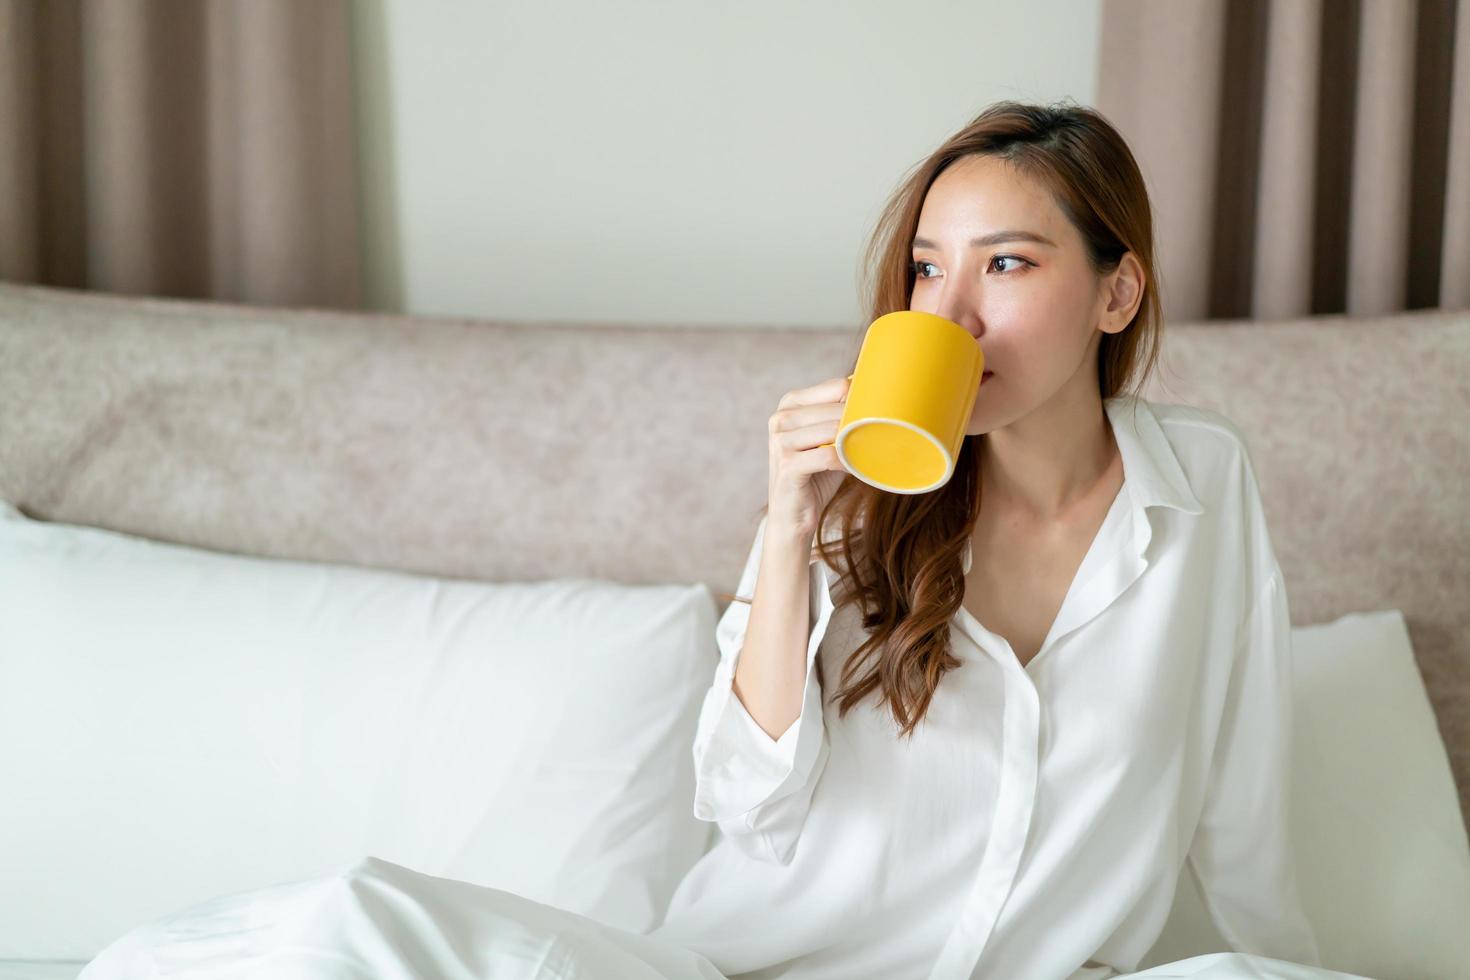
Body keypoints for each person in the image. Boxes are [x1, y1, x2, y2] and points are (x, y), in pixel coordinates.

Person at [80, 99, 1332, 980]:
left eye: (1006, 264)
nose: (951, 312)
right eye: (925, 272)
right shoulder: (860, 497)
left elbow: (1247, 791)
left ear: (1117, 292)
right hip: (754, 971)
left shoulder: (1203, 488)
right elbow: (745, 798)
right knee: (347, 930)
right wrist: (788, 528)